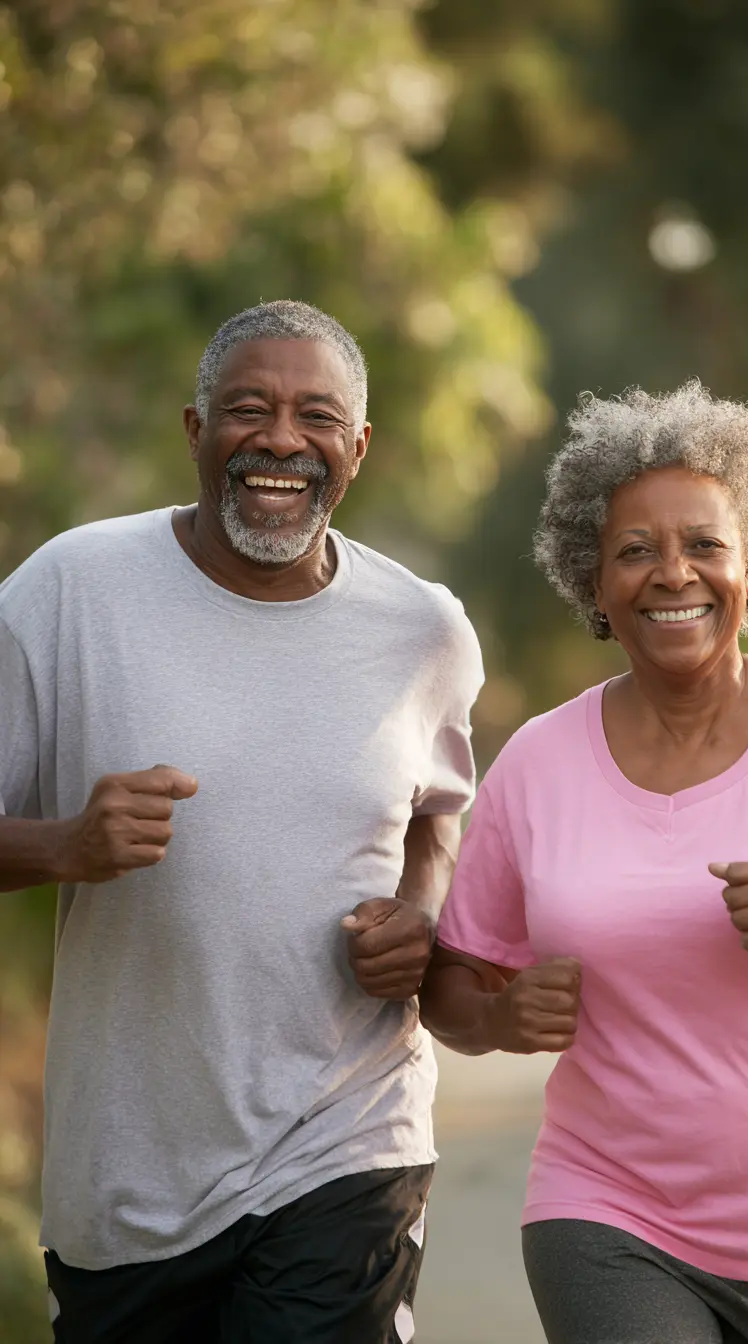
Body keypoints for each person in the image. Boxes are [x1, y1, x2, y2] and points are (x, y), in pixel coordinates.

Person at [0, 299, 483, 1343]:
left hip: (347, 1133)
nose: (279, 440)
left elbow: (438, 816)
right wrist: (63, 846)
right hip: (127, 1176)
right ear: (194, 430)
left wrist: (416, 916)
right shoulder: (70, 591)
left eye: (316, 417)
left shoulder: (423, 630)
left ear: (356, 448)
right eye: (247, 409)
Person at [420, 379, 748, 1344]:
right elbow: (451, 990)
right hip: (604, 1211)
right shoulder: (539, 765)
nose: (671, 573)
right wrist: (505, 1017)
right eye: (634, 551)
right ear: (593, 584)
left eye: (704, 545)